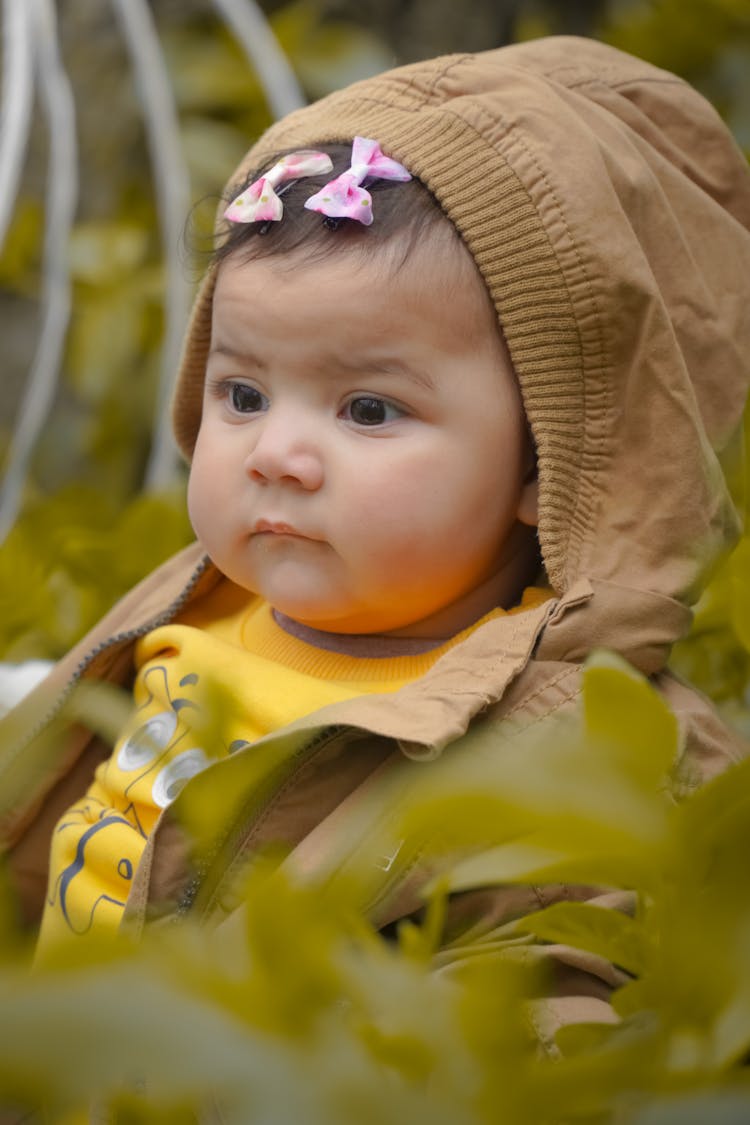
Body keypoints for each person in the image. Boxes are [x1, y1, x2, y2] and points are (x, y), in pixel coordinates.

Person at [1, 36, 749, 1044]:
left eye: (366, 409)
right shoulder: (200, 607)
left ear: (546, 466)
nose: (278, 455)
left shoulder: (569, 743)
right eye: (244, 393)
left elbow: (547, 1015)